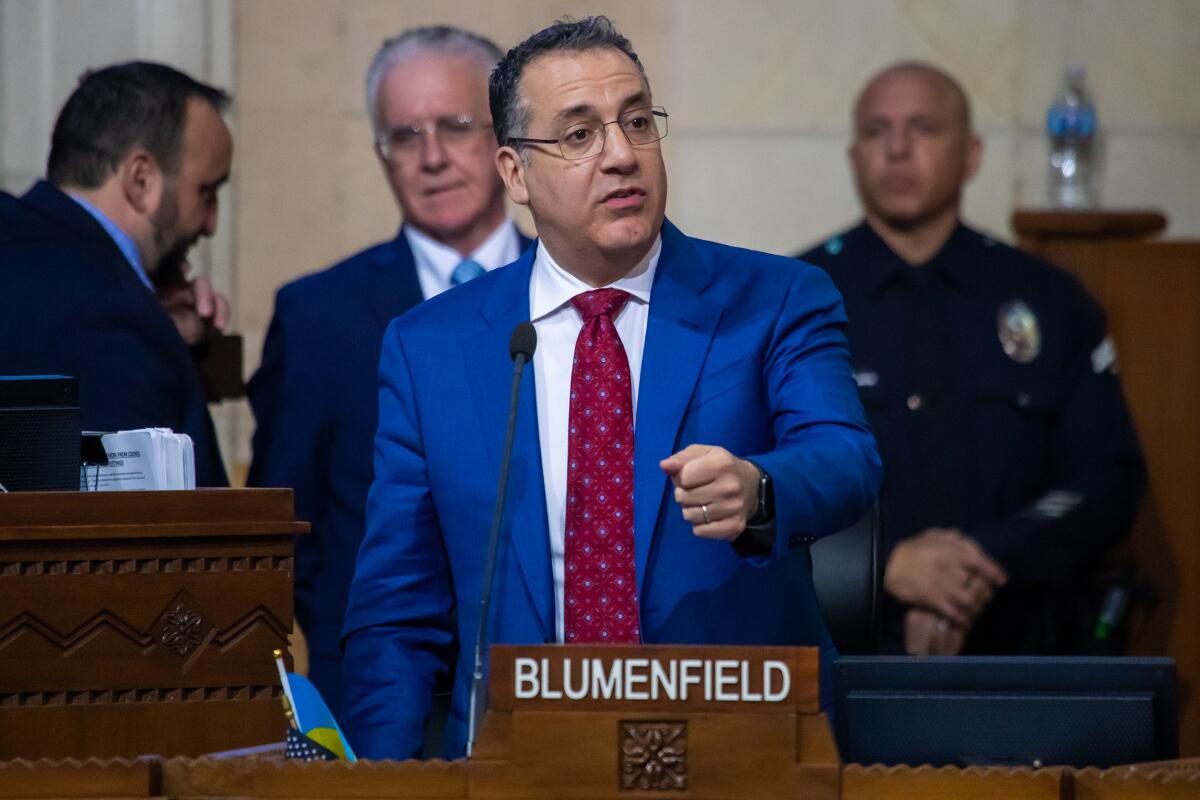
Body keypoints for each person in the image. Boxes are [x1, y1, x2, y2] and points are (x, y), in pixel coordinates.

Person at [341, 16, 882, 760]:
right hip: (523, 757)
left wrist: (760, 486)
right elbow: (395, 615)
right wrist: (381, 782)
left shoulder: (775, 298)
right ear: (514, 173)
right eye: (579, 135)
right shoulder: (431, 347)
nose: (622, 155)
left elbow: (847, 457)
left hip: (737, 750)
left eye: (636, 122)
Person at [800, 62, 1145, 657]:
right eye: (878, 131)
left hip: (1021, 647)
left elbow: (1107, 480)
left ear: (972, 155)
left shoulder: (1049, 300)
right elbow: (761, 483)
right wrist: (887, 563)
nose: (899, 149)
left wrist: (982, 562)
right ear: (855, 156)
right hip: (843, 655)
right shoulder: (796, 298)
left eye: (924, 128)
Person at [246, 26, 532, 716]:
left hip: (541, 686)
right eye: (405, 136)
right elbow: (281, 522)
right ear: (382, 155)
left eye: (455, 126)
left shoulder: (576, 292)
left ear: (507, 144)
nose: (431, 157)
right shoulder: (319, 314)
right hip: (369, 700)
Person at [0, 61, 234, 486]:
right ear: (141, 179)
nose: (210, 223)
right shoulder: (117, 318)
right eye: (206, 190)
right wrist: (151, 330)